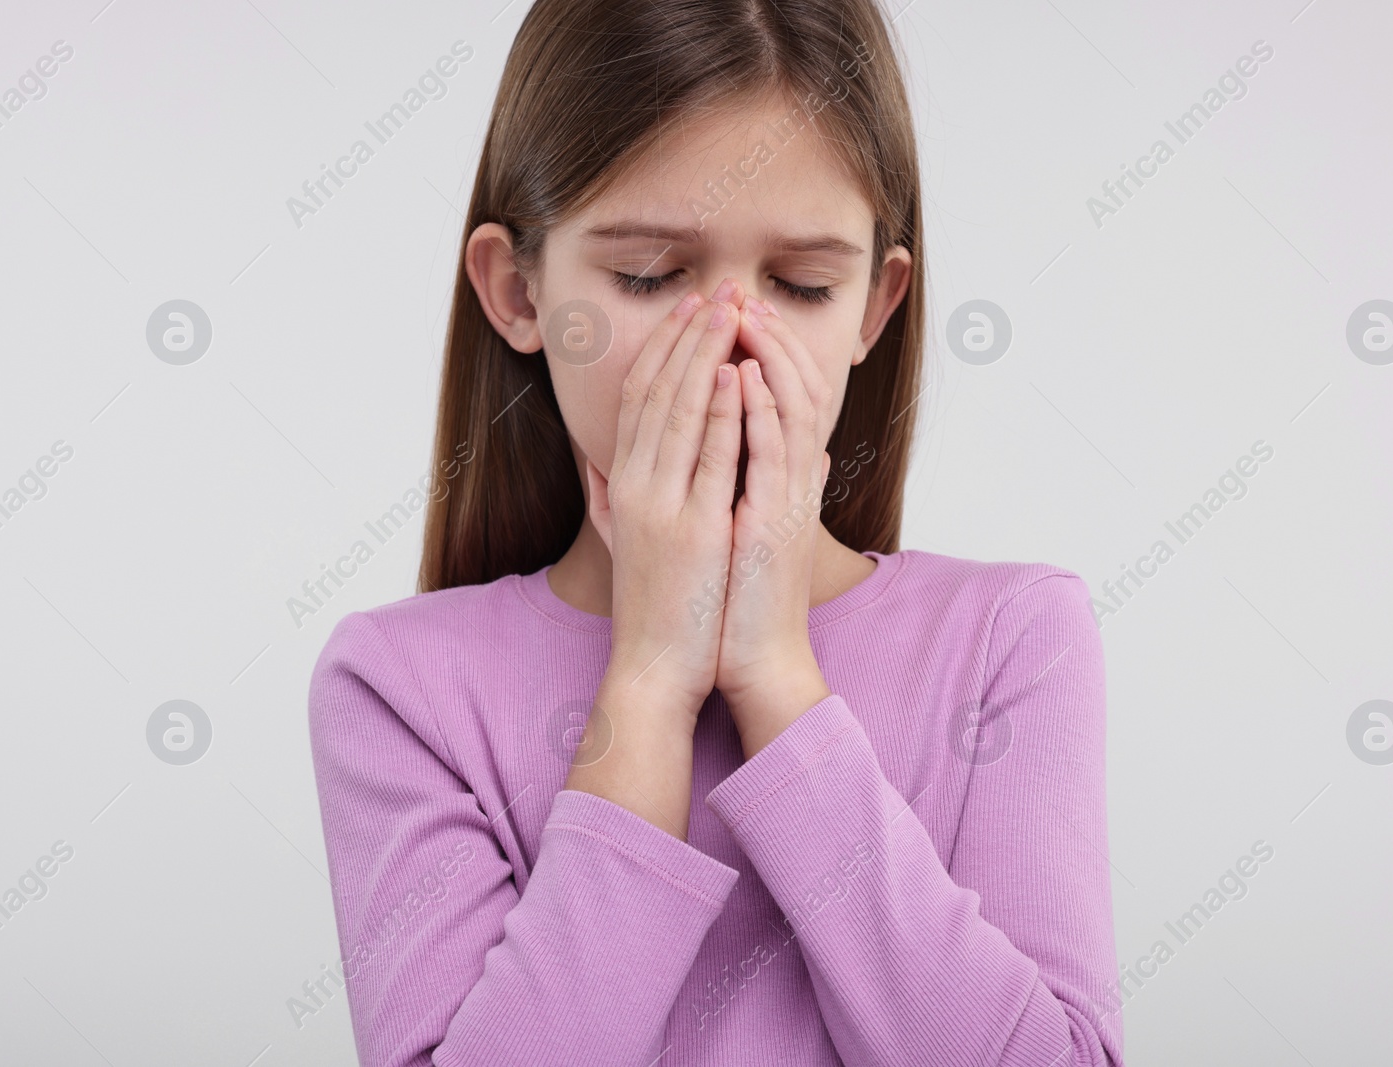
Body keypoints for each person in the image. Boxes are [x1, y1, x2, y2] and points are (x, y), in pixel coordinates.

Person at [307, 1, 1121, 1063]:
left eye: (802, 284)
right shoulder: (398, 684)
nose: (734, 342)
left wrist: (777, 677)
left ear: (875, 309)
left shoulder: (1013, 635)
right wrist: (648, 678)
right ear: (518, 291)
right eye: (648, 275)